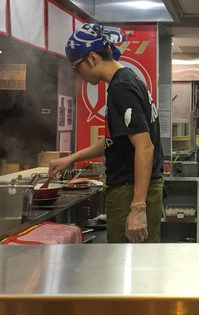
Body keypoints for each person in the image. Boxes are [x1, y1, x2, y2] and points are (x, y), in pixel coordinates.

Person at [49, 23, 164, 243]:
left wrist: (138, 208)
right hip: (133, 189)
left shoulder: (122, 87)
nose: (79, 74)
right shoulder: (127, 80)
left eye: (77, 67)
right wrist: (71, 159)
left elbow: (145, 146)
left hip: (130, 190)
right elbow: (115, 140)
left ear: (92, 58)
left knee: (129, 261)